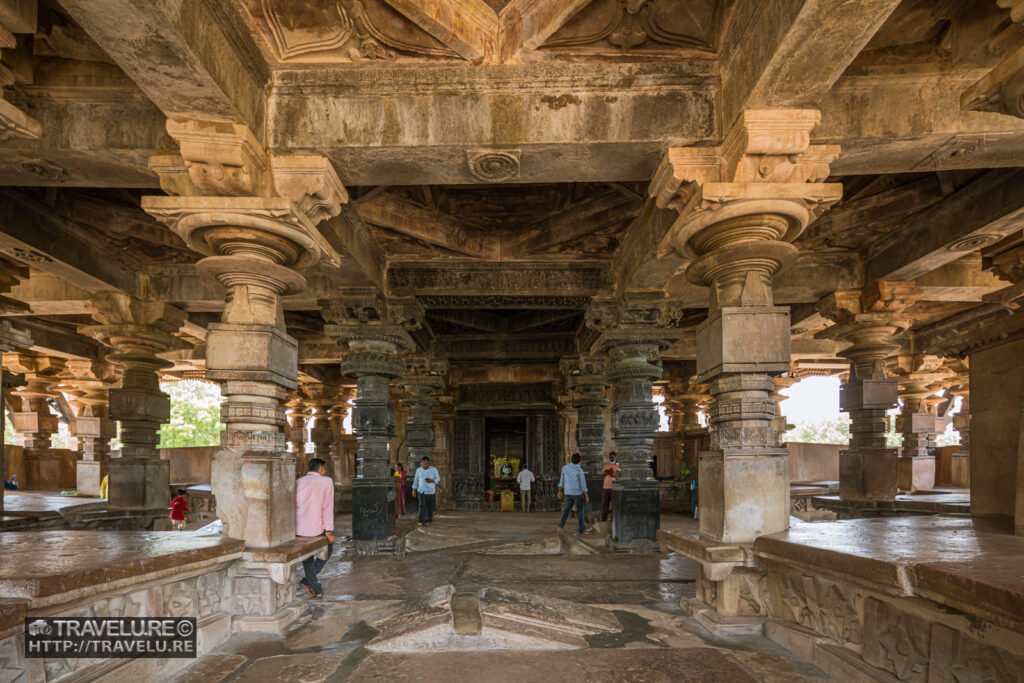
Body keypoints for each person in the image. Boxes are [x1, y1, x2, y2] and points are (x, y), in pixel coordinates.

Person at [296, 457, 335, 599]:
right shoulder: (326, 481)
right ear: (320, 469)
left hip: (299, 527)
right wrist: (328, 530)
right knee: (328, 550)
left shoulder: (299, 481)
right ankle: (313, 586)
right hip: (317, 527)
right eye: (324, 468)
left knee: (307, 557)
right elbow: (327, 506)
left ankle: (310, 583)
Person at [557, 453, 592, 536]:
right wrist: (586, 495)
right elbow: (583, 484)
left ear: (571, 459)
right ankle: (582, 530)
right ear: (579, 461)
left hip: (568, 493)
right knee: (580, 511)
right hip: (577, 493)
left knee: (566, 510)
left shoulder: (564, 468)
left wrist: (559, 491)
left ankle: (560, 527)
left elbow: (562, 480)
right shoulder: (579, 470)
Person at [412, 456, 440, 527]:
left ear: (429, 463)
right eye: (424, 464)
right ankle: (421, 520)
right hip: (421, 491)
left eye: (427, 464)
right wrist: (414, 490)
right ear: (421, 463)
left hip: (431, 491)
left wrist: (432, 480)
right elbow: (416, 480)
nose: (425, 465)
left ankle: (428, 520)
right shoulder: (418, 470)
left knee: (430, 507)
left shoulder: (434, 469)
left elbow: (438, 478)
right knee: (421, 506)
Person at [601, 452, 620, 522]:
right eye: (610, 457)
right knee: (604, 505)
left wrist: (613, 475)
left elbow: (620, 476)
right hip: (605, 487)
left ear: (615, 457)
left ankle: (614, 519)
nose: (611, 458)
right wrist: (605, 473)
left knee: (615, 505)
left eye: (612, 457)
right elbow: (602, 475)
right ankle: (603, 520)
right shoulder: (606, 465)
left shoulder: (618, 465)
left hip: (614, 487)